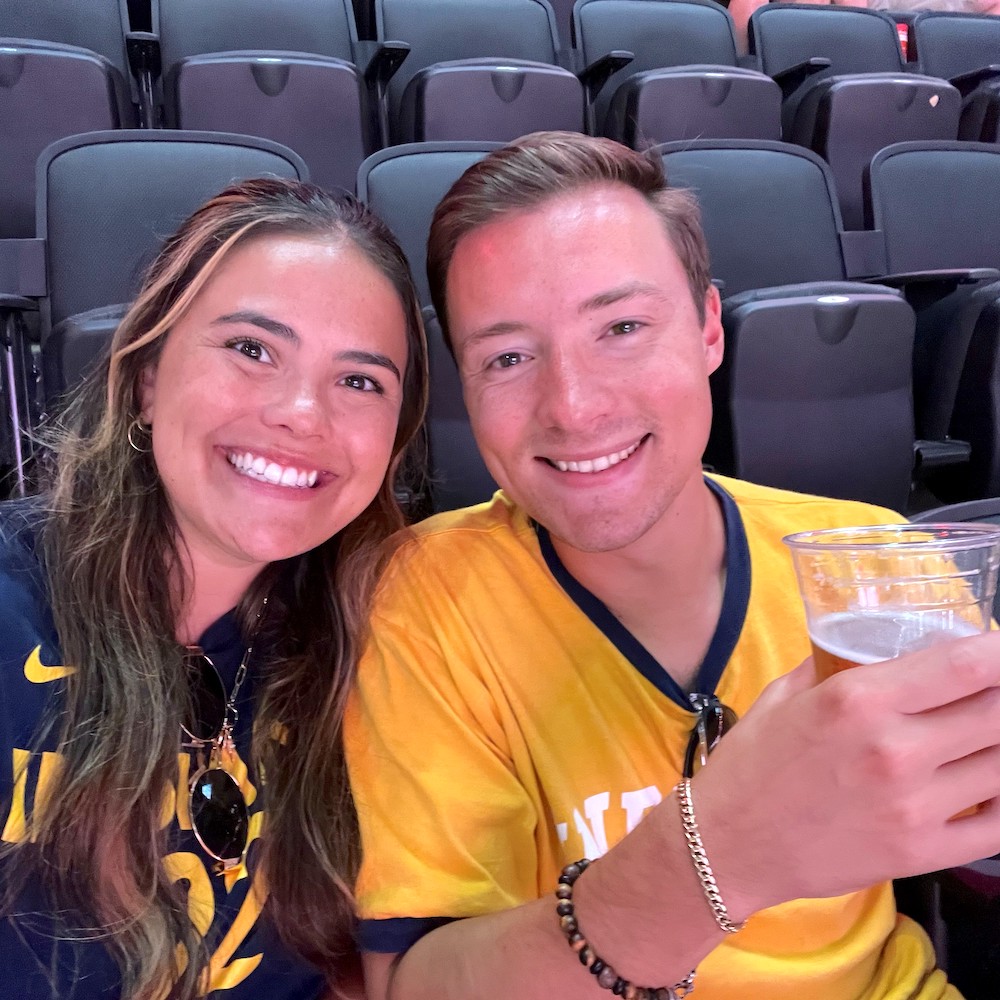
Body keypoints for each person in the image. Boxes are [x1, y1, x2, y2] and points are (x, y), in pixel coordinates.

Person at [344, 132, 1000, 1000]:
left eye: (621, 327)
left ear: (708, 330)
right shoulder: (423, 597)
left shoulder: (873, 558)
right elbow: (417, 984)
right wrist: (720, 853)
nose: (573, 408)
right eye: (507, 357)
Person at [0, 178, 428, 1000]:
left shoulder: (374, 657)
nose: (303, 414)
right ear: (149, 376)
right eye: (252, 349)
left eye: (361, 381)